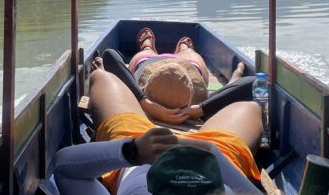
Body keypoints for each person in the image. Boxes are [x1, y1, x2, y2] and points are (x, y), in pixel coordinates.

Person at [78, 62, 263, 195]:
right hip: (213, 156)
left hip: (139, 145)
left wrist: (132, 148)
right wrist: (200, 114)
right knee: (251, 107)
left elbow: (64, 166)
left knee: (101, 76)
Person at [97, 29, 255, 128]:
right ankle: (185, 49)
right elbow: (250, 83)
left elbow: (109, 55)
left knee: (145, 54)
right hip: (185, 68)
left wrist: (146, 104)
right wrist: (198, 110)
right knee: (189, 55)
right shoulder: (198, 117)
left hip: (152, 68)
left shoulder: (136, 120)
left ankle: (147, 47)